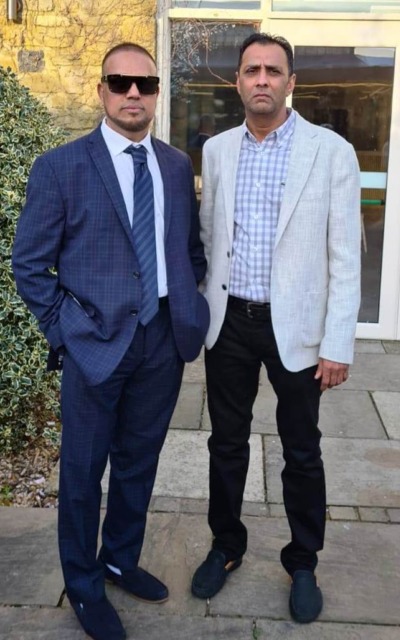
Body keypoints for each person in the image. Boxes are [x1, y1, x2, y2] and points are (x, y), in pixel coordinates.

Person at [12, 42, 209, 640]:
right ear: (101, 91)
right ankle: (83, 584)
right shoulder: (61, 167)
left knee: (138, 463)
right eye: (120, 82)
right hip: (94, 345)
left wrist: (187, 304)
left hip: (162, 341)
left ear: (157, 93)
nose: (133, 93)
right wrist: (66, 332)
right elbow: (29, 266)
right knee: (82, 472)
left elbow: (189, 250)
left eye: (144, 83)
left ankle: (120, 558)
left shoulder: (174, 165)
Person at [191, 32, 360, 624]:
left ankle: (303, 560)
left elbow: (345, 256)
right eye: (251, 70)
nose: (261, 79)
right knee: (225, 443)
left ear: (291, 81)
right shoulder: (217, 150)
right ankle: (226, 545)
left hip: (298, 328)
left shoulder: (330, 151)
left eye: (272, 70)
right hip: (230, 322)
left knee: (302, 449)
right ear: (237, 81)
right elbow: (210, 234)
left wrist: (338, 342)